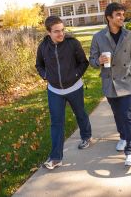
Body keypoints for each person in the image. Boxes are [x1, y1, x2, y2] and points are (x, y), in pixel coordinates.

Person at [36, 15, 92, 170]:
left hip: (74, 87)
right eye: (56, 31)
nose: (61, 34)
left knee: (80, 114)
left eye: (62, 30)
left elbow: (83, 62)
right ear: (49, 33)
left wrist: (75, 75)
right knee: (56, 123)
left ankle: (86, 136)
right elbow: (39, 65)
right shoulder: (43, 47)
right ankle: (56, 158)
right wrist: (45, 76)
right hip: (54, 90)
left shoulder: (72, 43)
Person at [89, 2, 131, 166]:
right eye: (118, 14)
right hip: (109, 82)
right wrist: (99, 61)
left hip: (126, 81)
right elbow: (92, 60)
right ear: (109, 18)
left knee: (127, 115)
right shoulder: (98, 37)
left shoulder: (130, 35)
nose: (122, 17)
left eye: (123, 14)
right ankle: (123, 136)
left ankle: (130, 151)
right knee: (118, 114)